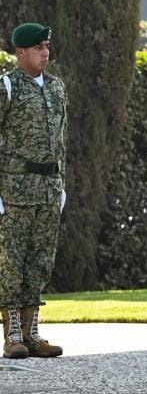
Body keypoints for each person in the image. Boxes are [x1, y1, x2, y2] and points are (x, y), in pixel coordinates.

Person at [0, 23, 66, 359]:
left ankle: (32, 332)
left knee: (40, 262)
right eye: (38, 47)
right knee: (13, 262)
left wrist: (61, 183)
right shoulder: (7, 85)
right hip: (16, 189)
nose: (45, 52)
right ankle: (11, 334)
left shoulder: (55, 87)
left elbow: (60, 140)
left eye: (47, 46)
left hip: (48, 189)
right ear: (20, 52)